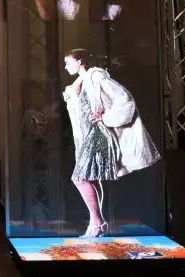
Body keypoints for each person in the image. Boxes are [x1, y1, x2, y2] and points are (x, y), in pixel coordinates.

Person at [62, 48, 161, 237]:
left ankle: (97, 222)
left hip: (99, 135)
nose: (66, 67)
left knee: (80, 178)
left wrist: (106, 117)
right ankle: (96, 223)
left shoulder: (97, 77)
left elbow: (125, 99)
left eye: (68, 62)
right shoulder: (82, 81)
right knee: (90, 178)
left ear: (80, 61)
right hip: (89, 135)